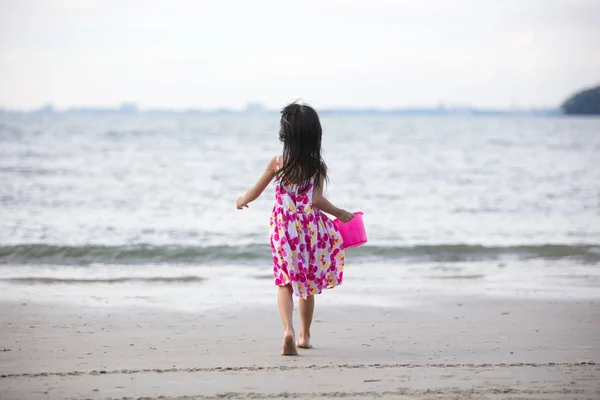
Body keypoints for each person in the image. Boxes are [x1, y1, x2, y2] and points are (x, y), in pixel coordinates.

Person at [236, 101, 355, 356]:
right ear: (314, 136)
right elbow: (316, 200)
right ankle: (304, 335)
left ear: (285, 135)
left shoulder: (278, 162)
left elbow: (255, 192)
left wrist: (241, 201)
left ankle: (287, 329)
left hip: (282, 230)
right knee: (307, 285)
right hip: (309, 231)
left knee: (284, 282)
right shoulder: (316, 167)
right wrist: (341, 213)